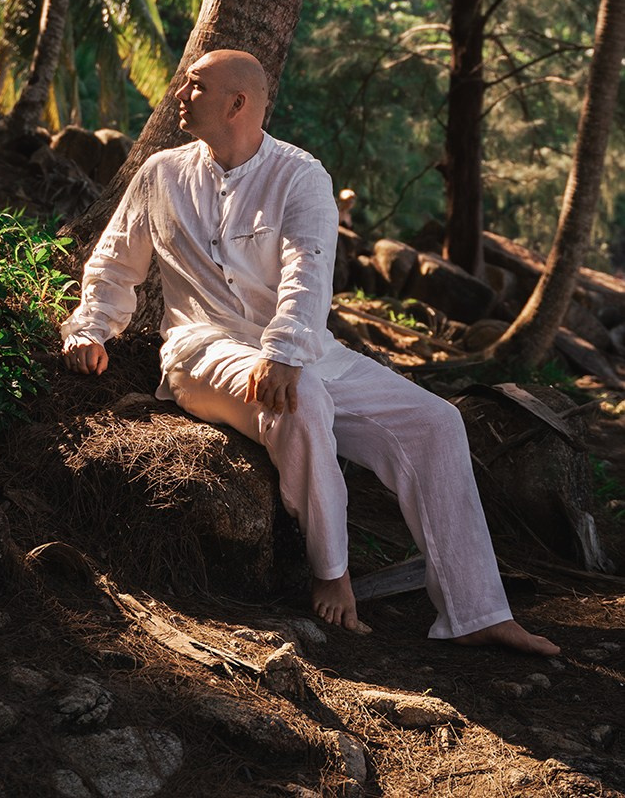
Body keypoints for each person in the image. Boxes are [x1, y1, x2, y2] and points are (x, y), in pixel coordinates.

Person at [62, 49, 559, 654]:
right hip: (201, 347)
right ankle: (331, 572)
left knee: (436, 422)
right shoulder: (160, 173)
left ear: (237, 103)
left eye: (195, 85)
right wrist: (91, 328)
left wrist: (286, 350)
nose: (180, 95)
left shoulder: (299, 175)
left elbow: (309, 270)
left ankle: (476, 611)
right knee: (302, 404)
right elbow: (115, 263)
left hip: (308, 349)